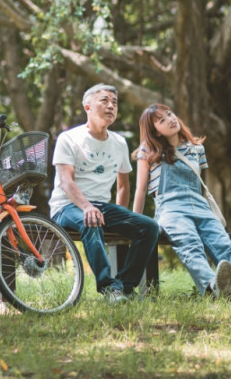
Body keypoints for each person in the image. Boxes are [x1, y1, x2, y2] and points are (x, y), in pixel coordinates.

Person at [132, 103, 231, 299]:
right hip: (171, 210)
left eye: (170, 114)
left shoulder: (196, 148)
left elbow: (199, 185)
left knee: (224, 245)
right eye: (162, 120)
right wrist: (135, 222)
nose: (170, 119)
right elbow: (140, 190)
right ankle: (212, 287)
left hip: (200, 206)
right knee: (190, 245)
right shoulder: (148, 151)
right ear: (155, 132)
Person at [49, 84, 160, 303]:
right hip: (67, 207)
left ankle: (125, 288)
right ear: (87, 106)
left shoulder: (119, 142)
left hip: (102, 207)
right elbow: (65, 181)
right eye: (105, 100)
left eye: (115, 102)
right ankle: (108, 288)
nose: (111, 105)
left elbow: (123, 184)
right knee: (91, 220)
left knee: (149, 227)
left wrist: (122, 215)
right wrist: (87, 207)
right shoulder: (69, 138)